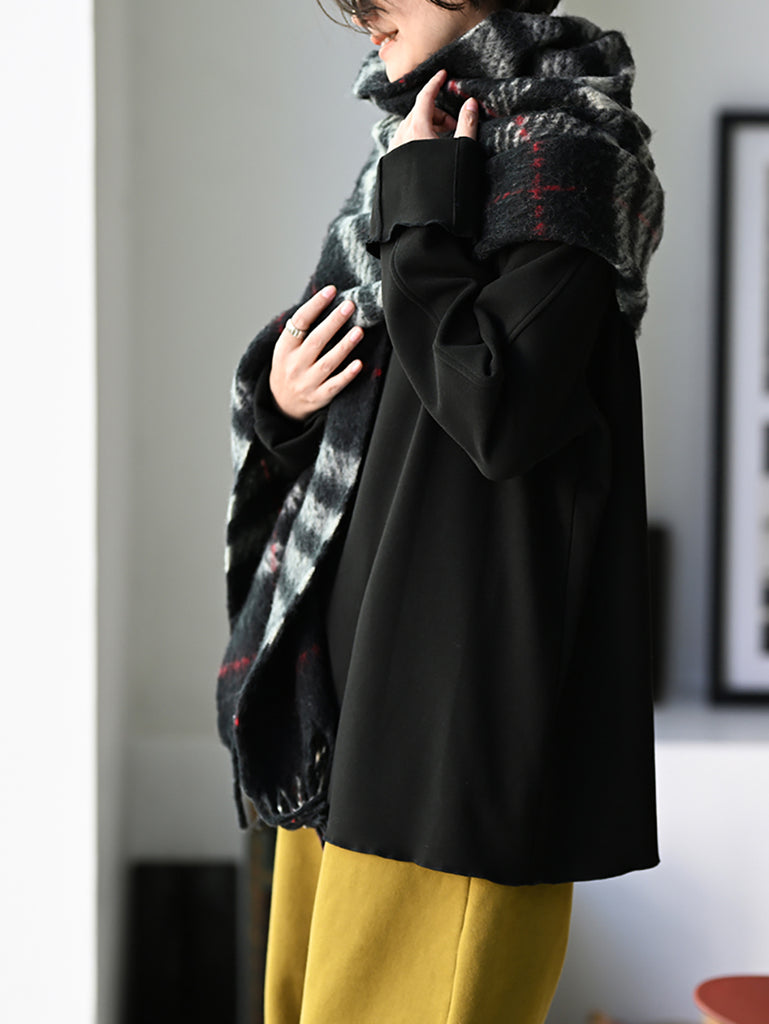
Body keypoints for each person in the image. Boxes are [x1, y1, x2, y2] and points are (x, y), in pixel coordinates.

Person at [216, 1, 664, 1021]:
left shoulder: (570, 162)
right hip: (343, 712)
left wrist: (419, 210)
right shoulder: (414, 151)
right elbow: (379, 420)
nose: (361, 15)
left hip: (454, 732)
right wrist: (283, 399)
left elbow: (489, 408)